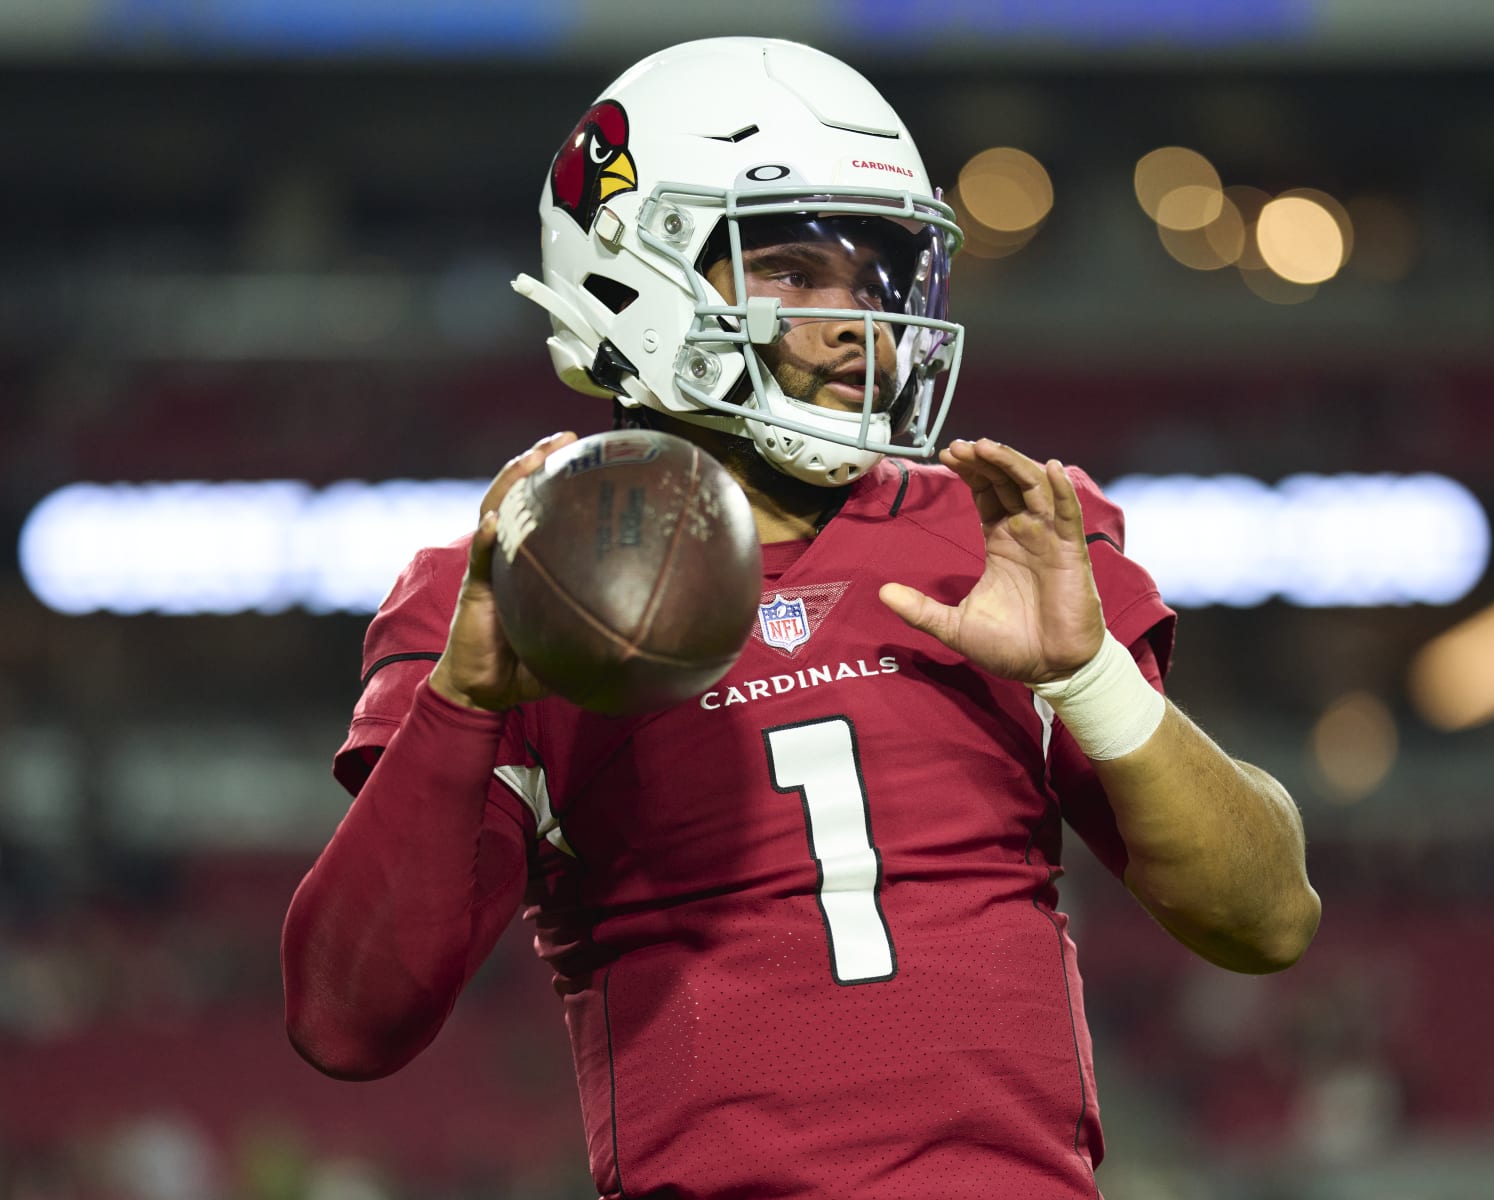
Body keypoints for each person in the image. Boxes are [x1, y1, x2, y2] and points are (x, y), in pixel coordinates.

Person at [282, 36, 1320, 1199]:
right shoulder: (520, 579)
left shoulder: (1008, 530)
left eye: (876, 277)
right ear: (631, 272)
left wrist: (1089, 677)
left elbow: (1268, 918)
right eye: (788, 268)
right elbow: (348, 1022)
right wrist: (463, 705)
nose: (853, 322)